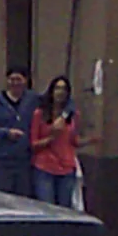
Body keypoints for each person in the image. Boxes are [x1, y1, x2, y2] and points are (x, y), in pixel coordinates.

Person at [0, 66, 36, 196]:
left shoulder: (32, 100)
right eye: (11, 79)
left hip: (24, 164)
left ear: (25, 81)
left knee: (24, 203)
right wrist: (5, 133)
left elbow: (58, 99)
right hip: (1, 164)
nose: (15, 83)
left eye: (18, 79)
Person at [28, 75, 83, 208]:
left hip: (66, 168)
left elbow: (74, 141)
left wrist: (91, 140)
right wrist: (51, 137)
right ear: (51, 91)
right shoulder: (40, 113)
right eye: (57, 88)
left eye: (64, 89)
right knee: (47, 207)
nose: (60, 92)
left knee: (65, 208)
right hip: (44, 167)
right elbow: (34, 144)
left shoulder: (73, 115)